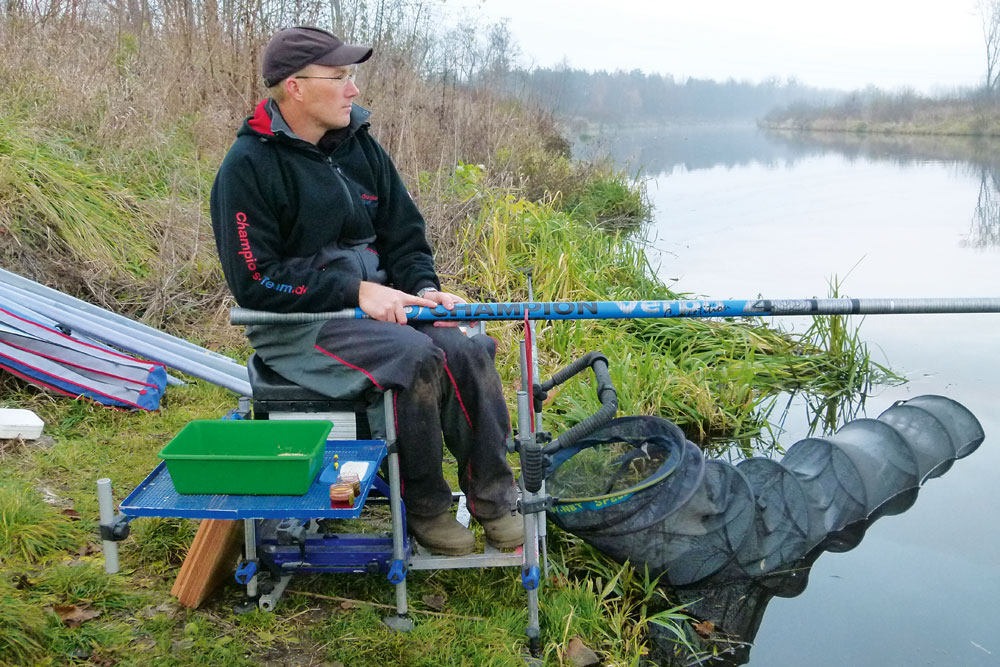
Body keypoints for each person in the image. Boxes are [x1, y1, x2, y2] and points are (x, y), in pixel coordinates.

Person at [209, 26, 521, 556]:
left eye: (351, 76)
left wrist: (424, 287)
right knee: (416, 357)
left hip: (381, 305)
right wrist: (353, 291)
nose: (353, 89)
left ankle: (495, 500)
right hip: (298, 325)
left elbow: (405, 235)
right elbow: (254, 280)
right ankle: (425, 508)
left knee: (467, 348)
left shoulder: (360, 146)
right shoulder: (247, 168)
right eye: (340, 77)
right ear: (296, 88)